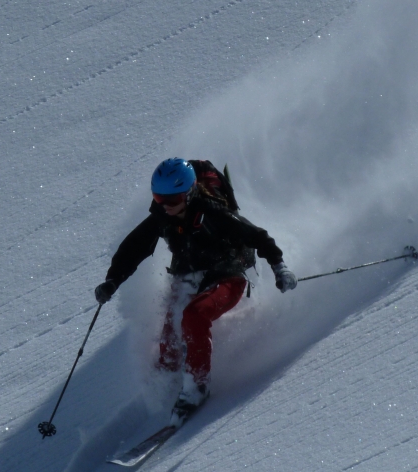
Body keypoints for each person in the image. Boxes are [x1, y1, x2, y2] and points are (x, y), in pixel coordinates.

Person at [94, 158, 296, 423]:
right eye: (158, 198)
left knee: (194, 315)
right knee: (169, 344)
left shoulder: (213, 213)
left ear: (188, 193)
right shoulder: (161, 216)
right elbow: (132, 249)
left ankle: (196, 387)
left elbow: (258, 236)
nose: (165, 206)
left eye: (172, 199)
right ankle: (166, 387)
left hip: (228, 277)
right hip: (188, 275)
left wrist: (279, 267)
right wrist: (112, 281)